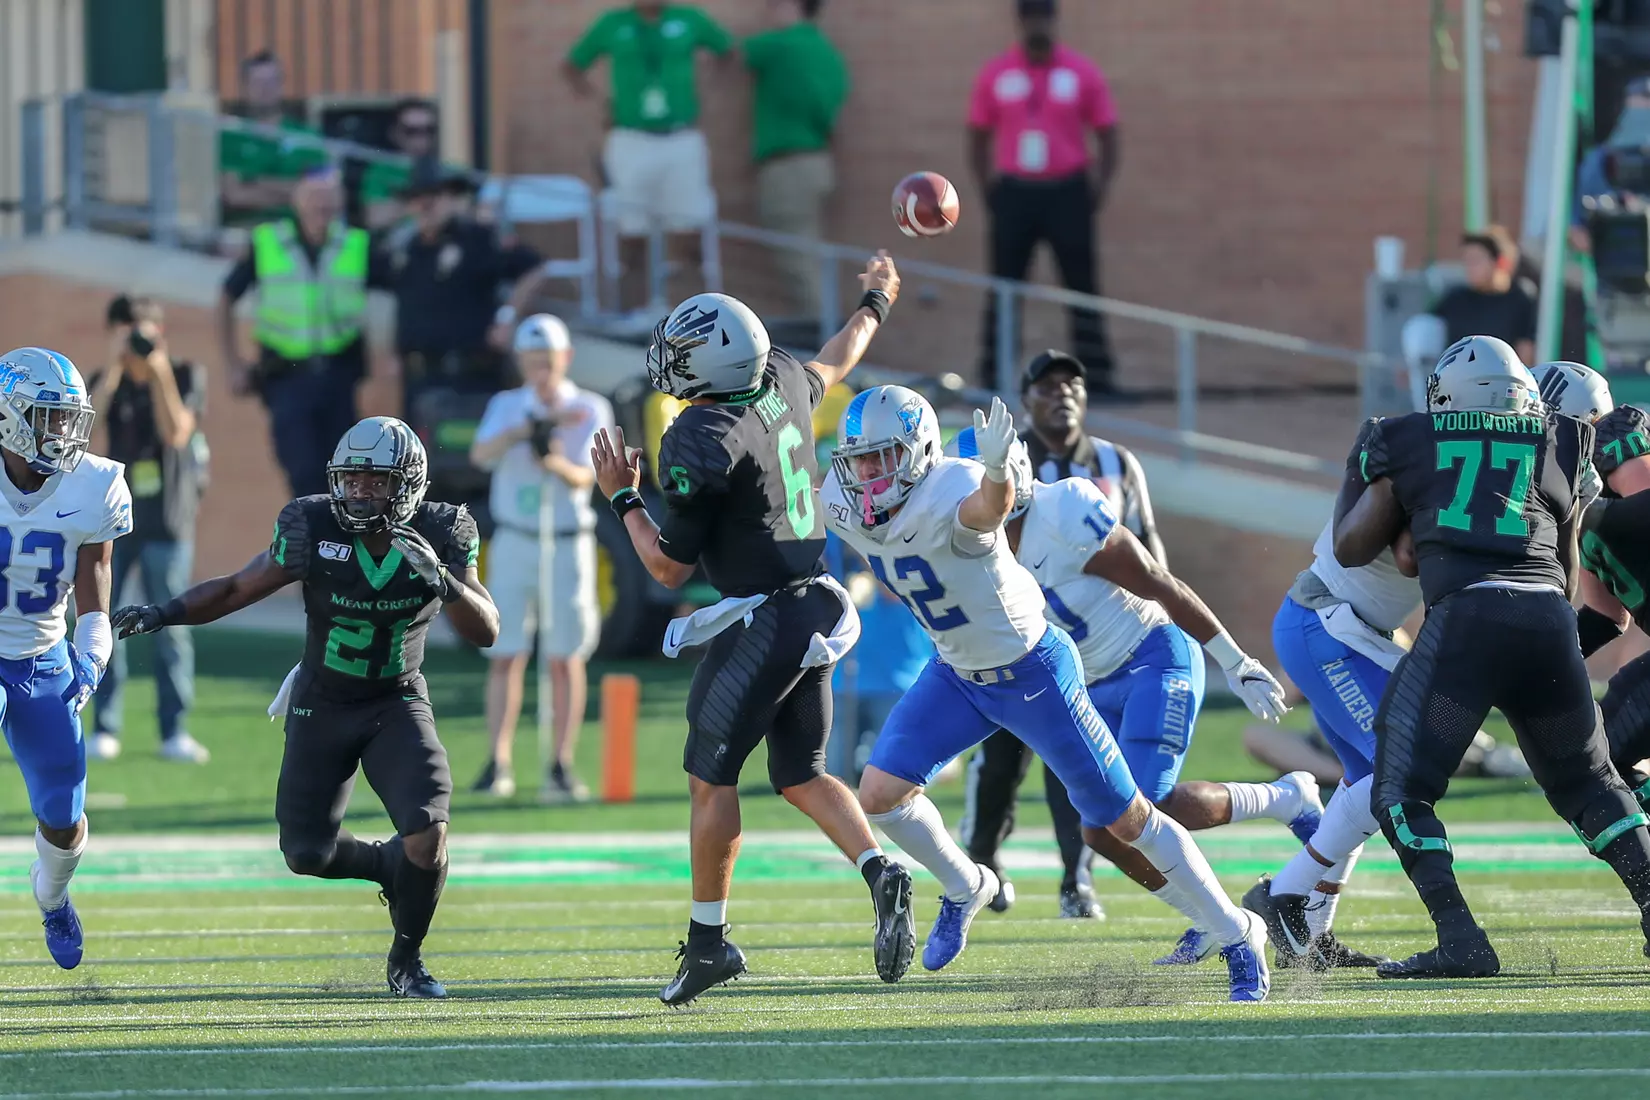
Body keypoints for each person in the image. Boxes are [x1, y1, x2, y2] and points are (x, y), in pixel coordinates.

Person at [821, 385, 1273, 1001]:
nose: (868, 474)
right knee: (878, 793)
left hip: (1032, 672)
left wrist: (1001, 471)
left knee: (1127, 819)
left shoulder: (953, 487)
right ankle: (965, 886)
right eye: (860, 459)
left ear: (922, 452)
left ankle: (1237, 930)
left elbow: (987, 507)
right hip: (957, 672)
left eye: (884, 457)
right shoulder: (840, 499)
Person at [588, 257, 913, 1006]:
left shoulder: (702, 437)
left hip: (761, 620)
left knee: (711, 779)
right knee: (801, 772)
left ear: (712, 361)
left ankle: (708, 944)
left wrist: (622, 497)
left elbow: (667, 570)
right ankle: (879, 868)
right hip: (814, 609)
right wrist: (876, 300)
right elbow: (841, 352)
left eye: (682, 347)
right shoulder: (783, 382)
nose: (669, 356)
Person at [111, 417, 498, 999]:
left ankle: (406, 960)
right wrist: (162, 612)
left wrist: (444, 580)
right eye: (352, 480)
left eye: (376, 481)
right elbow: (240, 587)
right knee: (306, 854)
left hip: (397, 701)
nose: (361, 492)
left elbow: (487, 630)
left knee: (429, 834)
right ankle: (386, 867)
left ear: (408, 484)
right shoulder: (311, 523)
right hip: (322, 700)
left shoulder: (444, 530)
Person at [1333, 335, 1650, 978]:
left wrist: (1363, 466)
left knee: (1400, 786)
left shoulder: (1408, 436)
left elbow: (1348, 546)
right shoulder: (1564, 439)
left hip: (1467, 617)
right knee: (1593, 784)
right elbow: (1565, 570)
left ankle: (1461, 939)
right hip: (1546, 621)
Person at [948, 426, 1320, 965]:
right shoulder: (965, 556)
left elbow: (1156, 580)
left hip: (1152, 655)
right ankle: (1209, 919)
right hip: (1091, 685)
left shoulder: (1067, 509)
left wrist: (1235, 662)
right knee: (1102, 832)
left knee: (1148, 808)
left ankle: (1287, 798)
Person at [961, 348, 1163, 915]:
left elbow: (1149, 548)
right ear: (1025, 401)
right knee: (998, 760)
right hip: (1009, 635)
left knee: (1075, 761)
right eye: (1047, 386)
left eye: (1071, 383)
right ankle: (981, 865)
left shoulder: (1116, 462)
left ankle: (1076, 879)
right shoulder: (1000, 459)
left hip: (1096, 646)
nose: (1062, 393)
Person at [0, 347, 127, 971]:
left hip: (41, 653)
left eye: (68, 418)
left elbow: (96, 567)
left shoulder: (96, 480)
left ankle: (50, 895)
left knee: (64, 817)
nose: (62, 432)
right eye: (47, 417)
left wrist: (95, 638)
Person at [469, 315, 613, 802]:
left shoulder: (589, 407)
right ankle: (498, 760)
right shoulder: (507, 405)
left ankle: (560, 762)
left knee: (565, 655)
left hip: (568, 539)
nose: (541, 373)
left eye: (548, 363)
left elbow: (588, 477)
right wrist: (522, 432)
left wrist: (550, 456)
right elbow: (480, 455)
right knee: (505, 651)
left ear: (565, 359)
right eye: (532, 364)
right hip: (515, 537)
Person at [969, 0, 1120, 392]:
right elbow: (978, 134)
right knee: (1005, 285)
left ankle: (1098, 376)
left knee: (1082, 284)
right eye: (1031, 17)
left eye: (1044, 17)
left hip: (1067, 190)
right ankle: (994, 373)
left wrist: (1097, 188)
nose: (1038, 25)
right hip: (1015, 192)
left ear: (1054, 20)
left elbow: (1108, 131)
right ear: (1020, 22)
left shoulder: (1079, 72)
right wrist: (992, 191)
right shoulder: (998, 74)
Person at [218, 166, 394, 499]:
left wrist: (386, 358)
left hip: (340, 374)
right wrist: (233, 363)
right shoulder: (269, 242)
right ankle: (311, 543)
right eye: (314, 198)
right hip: (287, 376)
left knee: (346, 470)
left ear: (340, 202)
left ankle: (339, 543)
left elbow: (397, 295)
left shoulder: (357, 244)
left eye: (329, 198)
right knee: (302, 471)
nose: (321, 207)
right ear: (298, 202)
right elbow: (226, 297)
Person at [85, 296, 209, 765]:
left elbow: (176, 431)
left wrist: (157, 372)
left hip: (167, 519)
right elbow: (87, 439)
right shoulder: (104, 381)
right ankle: (104, 726)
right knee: (104, 619)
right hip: (114, 517)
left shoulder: (185, 375)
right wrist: (115, 370)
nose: (137, 341)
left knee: (170, 624)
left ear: (161, 334)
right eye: (128, 332)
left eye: (144, 332)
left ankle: (173, 730)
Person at [564, 2, 733, 313]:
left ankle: (688, 311)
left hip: (680, 136)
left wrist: (705, 93)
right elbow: (573, 65)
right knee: (631, 229)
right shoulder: (613, 24)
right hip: (631, 138)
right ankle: (635, 310)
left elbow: (726, 51)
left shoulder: (688, 19)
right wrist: (601, 103)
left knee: (689, 225)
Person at [1534, 362, 1650, 810]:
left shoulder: (1615, 442)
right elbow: (1606, 617)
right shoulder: (1581, 503)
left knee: (1595, 761)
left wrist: (1584, 513)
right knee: (1594, 761)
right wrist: (1531, 667)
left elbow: (1642, 509)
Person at [386, 159, 552, 421]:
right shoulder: (405, 249)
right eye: (417, 198)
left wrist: (507, 319)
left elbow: (534, 268)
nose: (425, 205)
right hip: (420, 380)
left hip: (469, 378)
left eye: (434, 196)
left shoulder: (477, 238)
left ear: (450, 198)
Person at [744, 0, 849, 319]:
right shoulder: (827, 52)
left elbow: (738, 53)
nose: (768, 10)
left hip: (787, 167)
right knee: (809, 257)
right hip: (818, 162)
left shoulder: (781, 44)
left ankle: (828, 342)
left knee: (799, 264)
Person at [219, 50, 326, 226]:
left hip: (298, 230)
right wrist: (294, 191)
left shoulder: (306, 136)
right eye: (258, 83)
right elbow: (234, 195)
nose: (265, 89)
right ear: (244, 88)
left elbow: (319, 196)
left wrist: (256, 182)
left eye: (272, 82)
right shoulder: (230, 137)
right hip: (248, 228)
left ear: (282, 85)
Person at [1426, 226, 1537, 366]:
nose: (1469, 267)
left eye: (1476, 260)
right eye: (1466, 260)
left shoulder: (1521, 298)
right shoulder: (1454, 300)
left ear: (1500, 261)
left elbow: (1526, 351)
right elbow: (1425, 334)